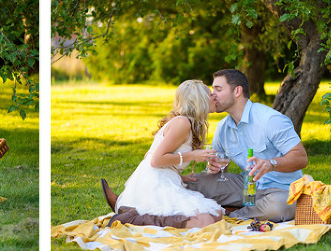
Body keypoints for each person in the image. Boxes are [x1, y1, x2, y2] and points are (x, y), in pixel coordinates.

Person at [184, 69, 308, 222]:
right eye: (212, 89)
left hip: (281, 189)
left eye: (218, 89)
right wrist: (213, 169)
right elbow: (220, 170)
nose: (212, 95)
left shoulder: (270, 119)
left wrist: (271, 163)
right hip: (245, 186)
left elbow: (301, 158)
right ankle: (236, 211)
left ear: (237, 91)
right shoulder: (223, 127)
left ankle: (229, 214)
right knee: (190, 183)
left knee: (278, 207)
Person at [101, 80, 224, 228]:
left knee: (216, 214)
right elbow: (155, 160)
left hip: (163, 179)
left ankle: (132, 211)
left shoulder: (186, 123)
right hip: (155, 183)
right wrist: (192, 156)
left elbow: (150, 155)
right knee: (206, 219)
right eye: (210, 94)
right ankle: (129, 218)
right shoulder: (182, 123)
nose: (214, 97)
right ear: (200, 100)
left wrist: (179, 176)